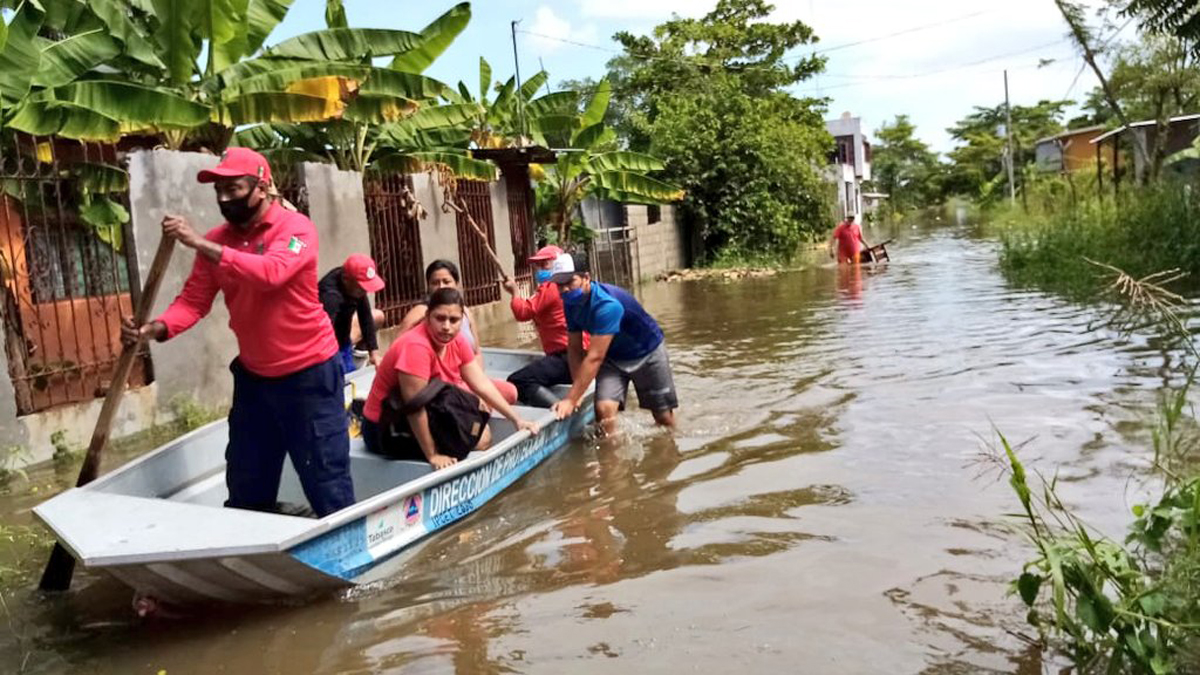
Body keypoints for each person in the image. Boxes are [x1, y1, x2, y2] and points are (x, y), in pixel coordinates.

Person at [122, 147, 354, 517]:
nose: (225, 198)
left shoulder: (296, 231)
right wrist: (154, 329)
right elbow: (194, 301)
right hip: (256, 380)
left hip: (310, 376)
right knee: (246, 484)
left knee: (326, 479)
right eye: (219, 191)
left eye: (235, 189)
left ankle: (347, 552)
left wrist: (200, 243)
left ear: (262, 187)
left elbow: (271, 272)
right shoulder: (219, 239)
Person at [361, 287, 539, 470]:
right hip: (383, 427)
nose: (446, 326)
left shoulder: (456, 340)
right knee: (476, 440)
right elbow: (414, 407)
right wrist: (433, 454)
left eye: (453, 320)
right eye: (440, 318)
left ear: (462, 320)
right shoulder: (415, 347)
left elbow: (481, 384)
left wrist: (516, 419)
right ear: (428, 316)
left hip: (423, 408)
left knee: (482, 435)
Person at [549, 254, 678, 434]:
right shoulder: (571, 303)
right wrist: (575, 393)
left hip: (647, 353)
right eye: (559, 285)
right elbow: (574, 348)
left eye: (570, 282)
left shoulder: (607, 305)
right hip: (613, 358)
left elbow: (594, 357)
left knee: (662, 417)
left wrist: (570, 400)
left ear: (586, 278)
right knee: (603, 412)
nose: (564, 289)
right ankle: (611, 459)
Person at [397, 260, 519, 404]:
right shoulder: (421, 312)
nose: (441, 286)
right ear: (428, 287)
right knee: (475, 402)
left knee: (510, 392)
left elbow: (476, 352)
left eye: (446, 281)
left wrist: (478, 384)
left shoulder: (465, 312)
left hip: (466, 379)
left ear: (457, 284)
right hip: (439, 385)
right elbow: (398, 349)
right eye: (435, 283)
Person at [501, 246, 586, 407]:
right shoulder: (574, 286)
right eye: (538, 266)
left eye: (544, 264)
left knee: (518, 381)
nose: (539, 270)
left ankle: (559, 409)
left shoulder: (551, 287)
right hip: (579, 356)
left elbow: (523, 312)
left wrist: (514, 293)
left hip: (566, 357)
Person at [319, 254, 386, 373]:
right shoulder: (330, 297)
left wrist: (373, 352)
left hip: (343, 341)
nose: (365, 292)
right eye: (361, 288)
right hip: (326, 347)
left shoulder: (354, 284)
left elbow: (365, 317)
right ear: (346, 280)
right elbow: (323, 334)